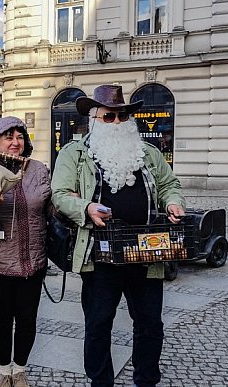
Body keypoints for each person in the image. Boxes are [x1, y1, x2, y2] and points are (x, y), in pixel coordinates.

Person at [51, 84, 186, 387]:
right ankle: (101, 382)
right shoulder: (75, 153)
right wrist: (85, 206)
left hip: (146, 251)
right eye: (109, 117)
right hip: (99, 256)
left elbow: (169, 185)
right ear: (94, 119)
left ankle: (146, 380)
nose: (117, 123)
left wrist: (174, 202)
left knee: (150, 324)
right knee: (98, 325)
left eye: (122, 117)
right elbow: (59, 195)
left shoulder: (148, 152)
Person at [0, 117, 50, 387]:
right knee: (1, 319)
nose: (15, 142)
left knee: (27, 319)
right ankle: (3, 371)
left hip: (33, 261)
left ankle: (19, 370)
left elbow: (50, 206)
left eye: (19, 137)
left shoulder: (38, 170)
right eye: (8, 137)